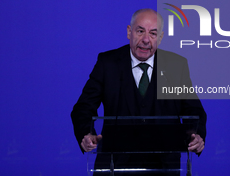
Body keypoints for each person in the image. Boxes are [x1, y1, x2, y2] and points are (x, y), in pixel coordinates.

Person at [71, 9, 206, 175]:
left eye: (153, 34)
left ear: (161, 38)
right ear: (129, 32)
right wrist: (87, 134)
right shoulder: (108, 63)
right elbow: (83, 108)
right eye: (140, 31)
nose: (146, 40)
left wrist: (195, 136)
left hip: (164, 167)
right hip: (114, 166)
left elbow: (194, 110)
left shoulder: (176, 65)